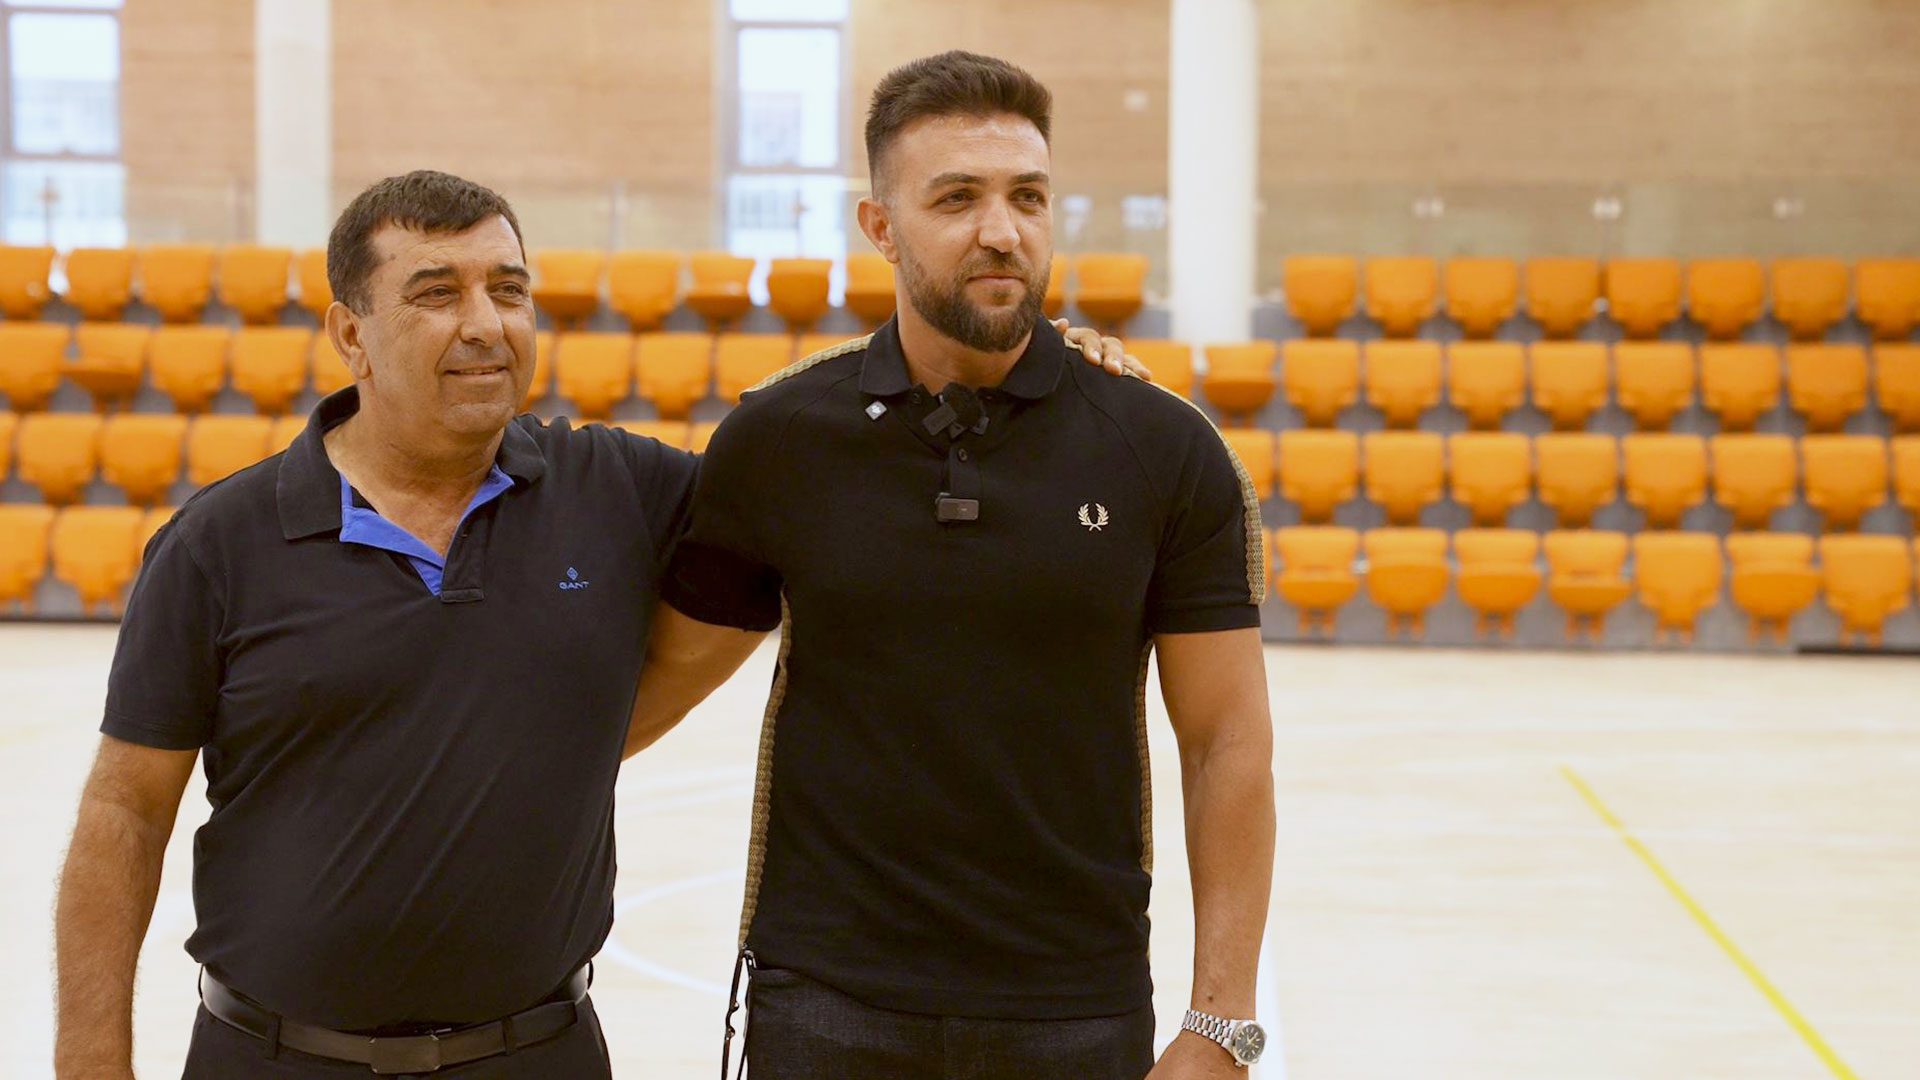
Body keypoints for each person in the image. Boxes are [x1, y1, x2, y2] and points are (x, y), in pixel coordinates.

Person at [51, 168, 1145, 1079]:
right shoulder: (221, 543)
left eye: (509, 288)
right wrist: (89, 1065)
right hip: (270, 1056)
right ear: (350, 331)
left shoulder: (615, 489)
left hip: (541, 1051)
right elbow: (124, 813)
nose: (485, 324)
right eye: (435, 292)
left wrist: (1035, 382)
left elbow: (830, 473)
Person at [641, 51, 1277, 1080]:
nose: (1002, 230)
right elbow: (658, 682)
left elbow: (1227, 743)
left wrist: (1223, 1024)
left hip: (1073, 1001)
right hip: (828, 1002)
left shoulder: (1163, 449)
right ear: (881, 228)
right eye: (957, 198)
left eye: (1028, 196)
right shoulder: (783, 438)